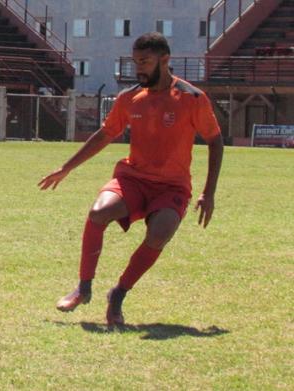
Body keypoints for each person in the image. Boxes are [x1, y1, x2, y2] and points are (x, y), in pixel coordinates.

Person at [39, 32, 224, 327]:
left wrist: (208, 192)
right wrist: (67, 167)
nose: (138, 68)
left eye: (145, 61)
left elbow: (215, 141)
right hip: (133, 179)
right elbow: (105, 135)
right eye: (135, 61)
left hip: (172, 186)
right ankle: (83, 288)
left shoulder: (193, 98)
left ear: (165, 60)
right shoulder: (129, 99)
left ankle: (118, 295)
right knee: (99, 212)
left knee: (160, 233)